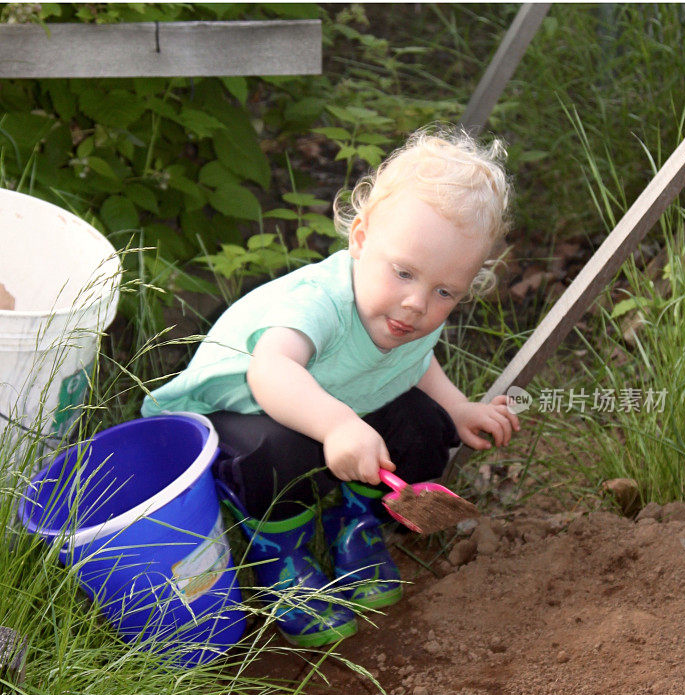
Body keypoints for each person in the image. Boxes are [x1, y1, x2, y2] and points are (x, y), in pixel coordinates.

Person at [141, 125, 520, 647]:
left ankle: (352, 519)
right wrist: (340, 426)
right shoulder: (320, 301)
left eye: (444, 291)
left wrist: (456, 407)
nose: (417, 304)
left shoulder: (405, 317)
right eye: (404, 273)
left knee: (424, 426)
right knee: (281, 452)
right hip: (240, 413)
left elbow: (414, 361)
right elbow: (270, 370)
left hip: (329, 403)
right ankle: (280, 551)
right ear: (361, 240)